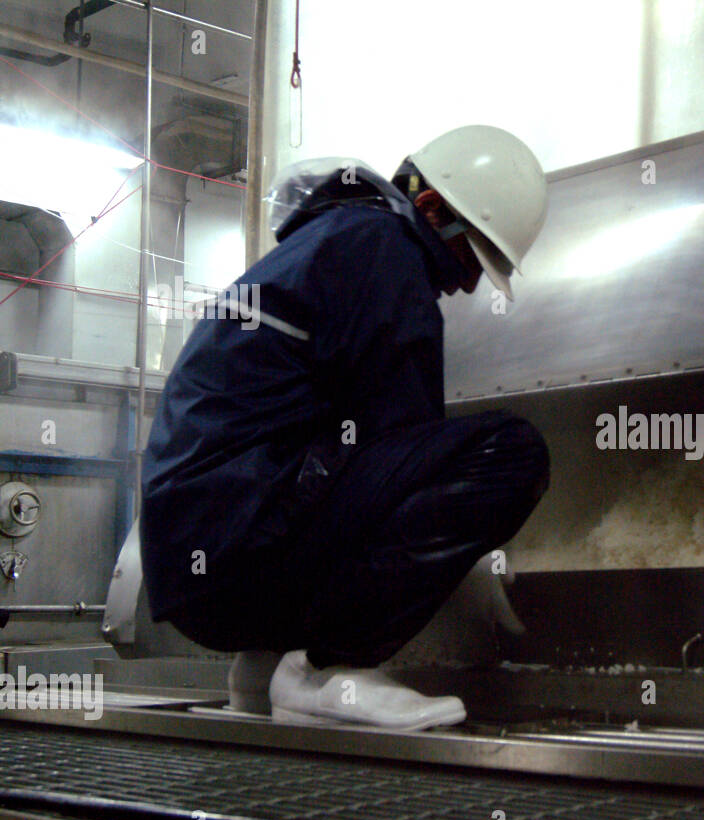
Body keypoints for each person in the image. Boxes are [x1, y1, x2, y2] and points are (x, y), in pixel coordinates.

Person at [140, 126, 550, 730]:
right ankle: (329, 669)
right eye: (471, 258)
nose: (467, 284)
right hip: (236, 548)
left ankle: (266, 667)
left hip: (200, 563)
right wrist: (465, 552)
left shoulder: (333, 240)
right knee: (512, 451)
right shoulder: (383, 249)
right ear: (432, 210)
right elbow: (403, 447)